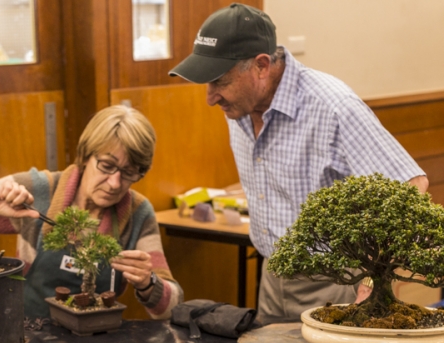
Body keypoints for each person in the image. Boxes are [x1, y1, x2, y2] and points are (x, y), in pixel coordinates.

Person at [168, 3, 428, 323]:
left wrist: (375, 279)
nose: (210, 98)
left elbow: (411, 186)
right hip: (272, 275)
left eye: (219, 82)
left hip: (333, 283)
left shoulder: (332, 106)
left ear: (261, 66)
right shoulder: (240, 106)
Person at [0, 105, 183, 319]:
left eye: (129, 173)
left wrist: (149, 283)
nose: (115, 183)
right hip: (28, 338)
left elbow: (171, 307)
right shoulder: (38, 192)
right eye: (106, 166)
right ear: (87, 154)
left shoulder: (137, 213)